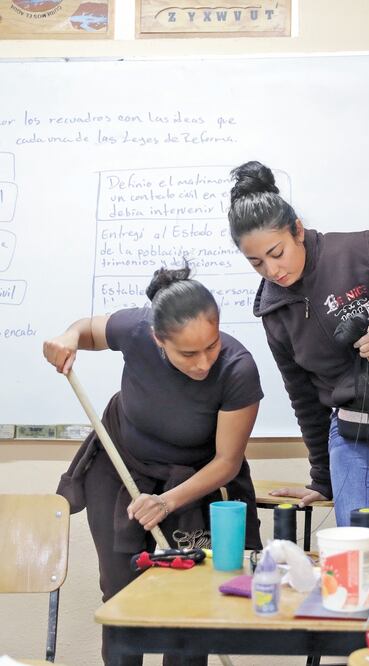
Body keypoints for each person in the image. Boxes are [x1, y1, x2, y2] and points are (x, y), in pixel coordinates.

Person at [227, 160, 369, 553]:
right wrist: (322, 479)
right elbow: (302, 394)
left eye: (277, 252)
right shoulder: (272, 310)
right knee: (351, 551)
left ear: (297, 229)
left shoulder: (356, 250)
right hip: (352, 426)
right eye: (257, 263)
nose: (272, 269)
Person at [44, 267, 263, 666]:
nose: (203, 364)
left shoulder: (238, 369)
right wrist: (69, 336)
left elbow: (227, 461)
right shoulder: (134, 328)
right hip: (120, 467)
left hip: (195, 480)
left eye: (211, 346)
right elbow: (89, 329)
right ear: (157, 340)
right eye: (188, 354)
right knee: (122, 596)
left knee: (188, 600)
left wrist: (166, 502)